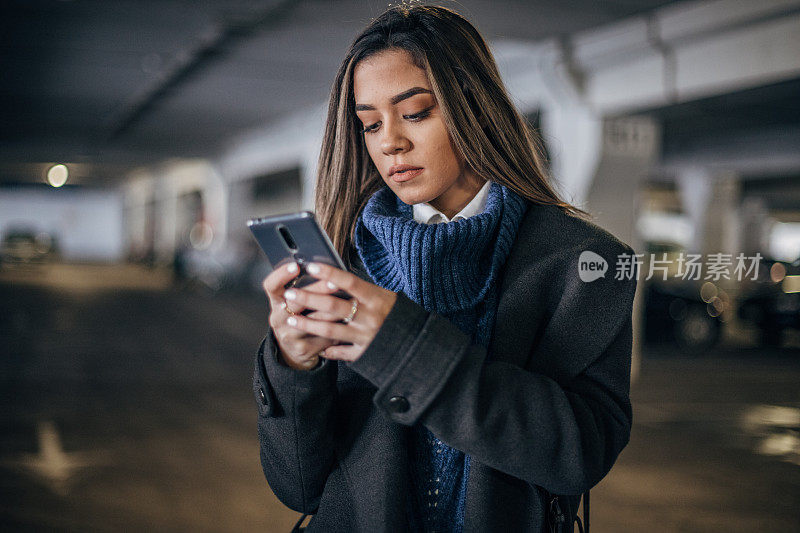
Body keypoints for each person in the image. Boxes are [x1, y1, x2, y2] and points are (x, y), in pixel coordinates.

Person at [254, 3, 638, 532]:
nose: (390, 142)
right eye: (369, 124)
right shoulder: (346, 259)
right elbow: (297, 487)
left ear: (474, 107)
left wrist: (404, 347)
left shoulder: (581, 262)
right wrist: (294, 369)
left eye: (415, 113)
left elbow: (578, 459)